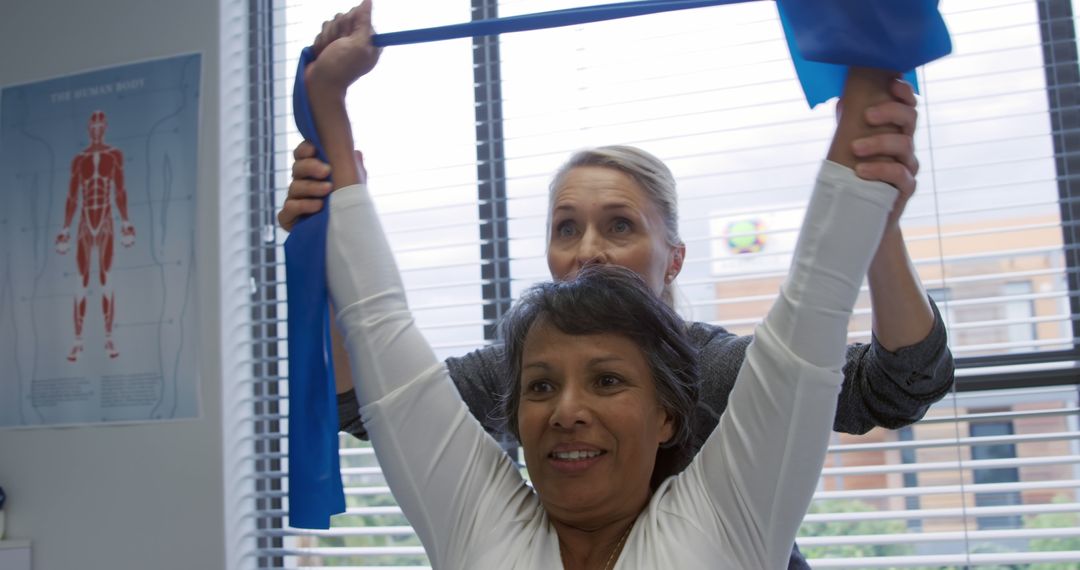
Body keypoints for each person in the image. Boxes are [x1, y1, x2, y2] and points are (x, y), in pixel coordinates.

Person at [289, 3, 954, 568]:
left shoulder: (716, 379)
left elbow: (845, 330)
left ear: (675, 256)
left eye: (619, 226)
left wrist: (876, 211)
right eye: (567, 229)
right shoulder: (509, 384)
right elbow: (380, 377)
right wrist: (328, 186)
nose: (589, 254)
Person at [56, 110, 136, 361]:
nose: (97, 129)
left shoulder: (115, 155)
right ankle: (78, 341)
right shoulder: (79, 160)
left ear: (106, 127)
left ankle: (109, 339)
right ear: (88, 128)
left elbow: (120, 191)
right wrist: (65, 229)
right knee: (80, 281)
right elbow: (72, 196)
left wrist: (126, 223)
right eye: (93, 125)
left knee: (105, 279)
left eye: (101, 125)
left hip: (105, 222)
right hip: (83, 223)